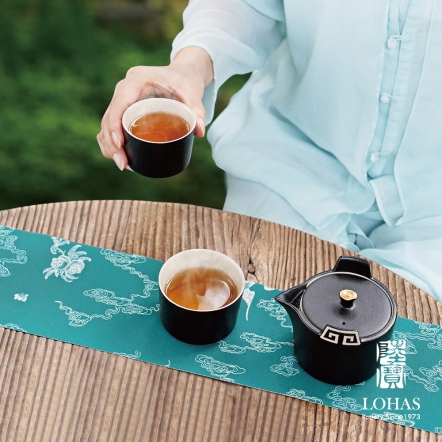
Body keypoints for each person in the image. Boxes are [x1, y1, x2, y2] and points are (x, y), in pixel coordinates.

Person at [97, 0, 442, 301]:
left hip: (432, 211)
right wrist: (189, 68)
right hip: (291, 162)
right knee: (258, 311)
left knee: (402, 339)